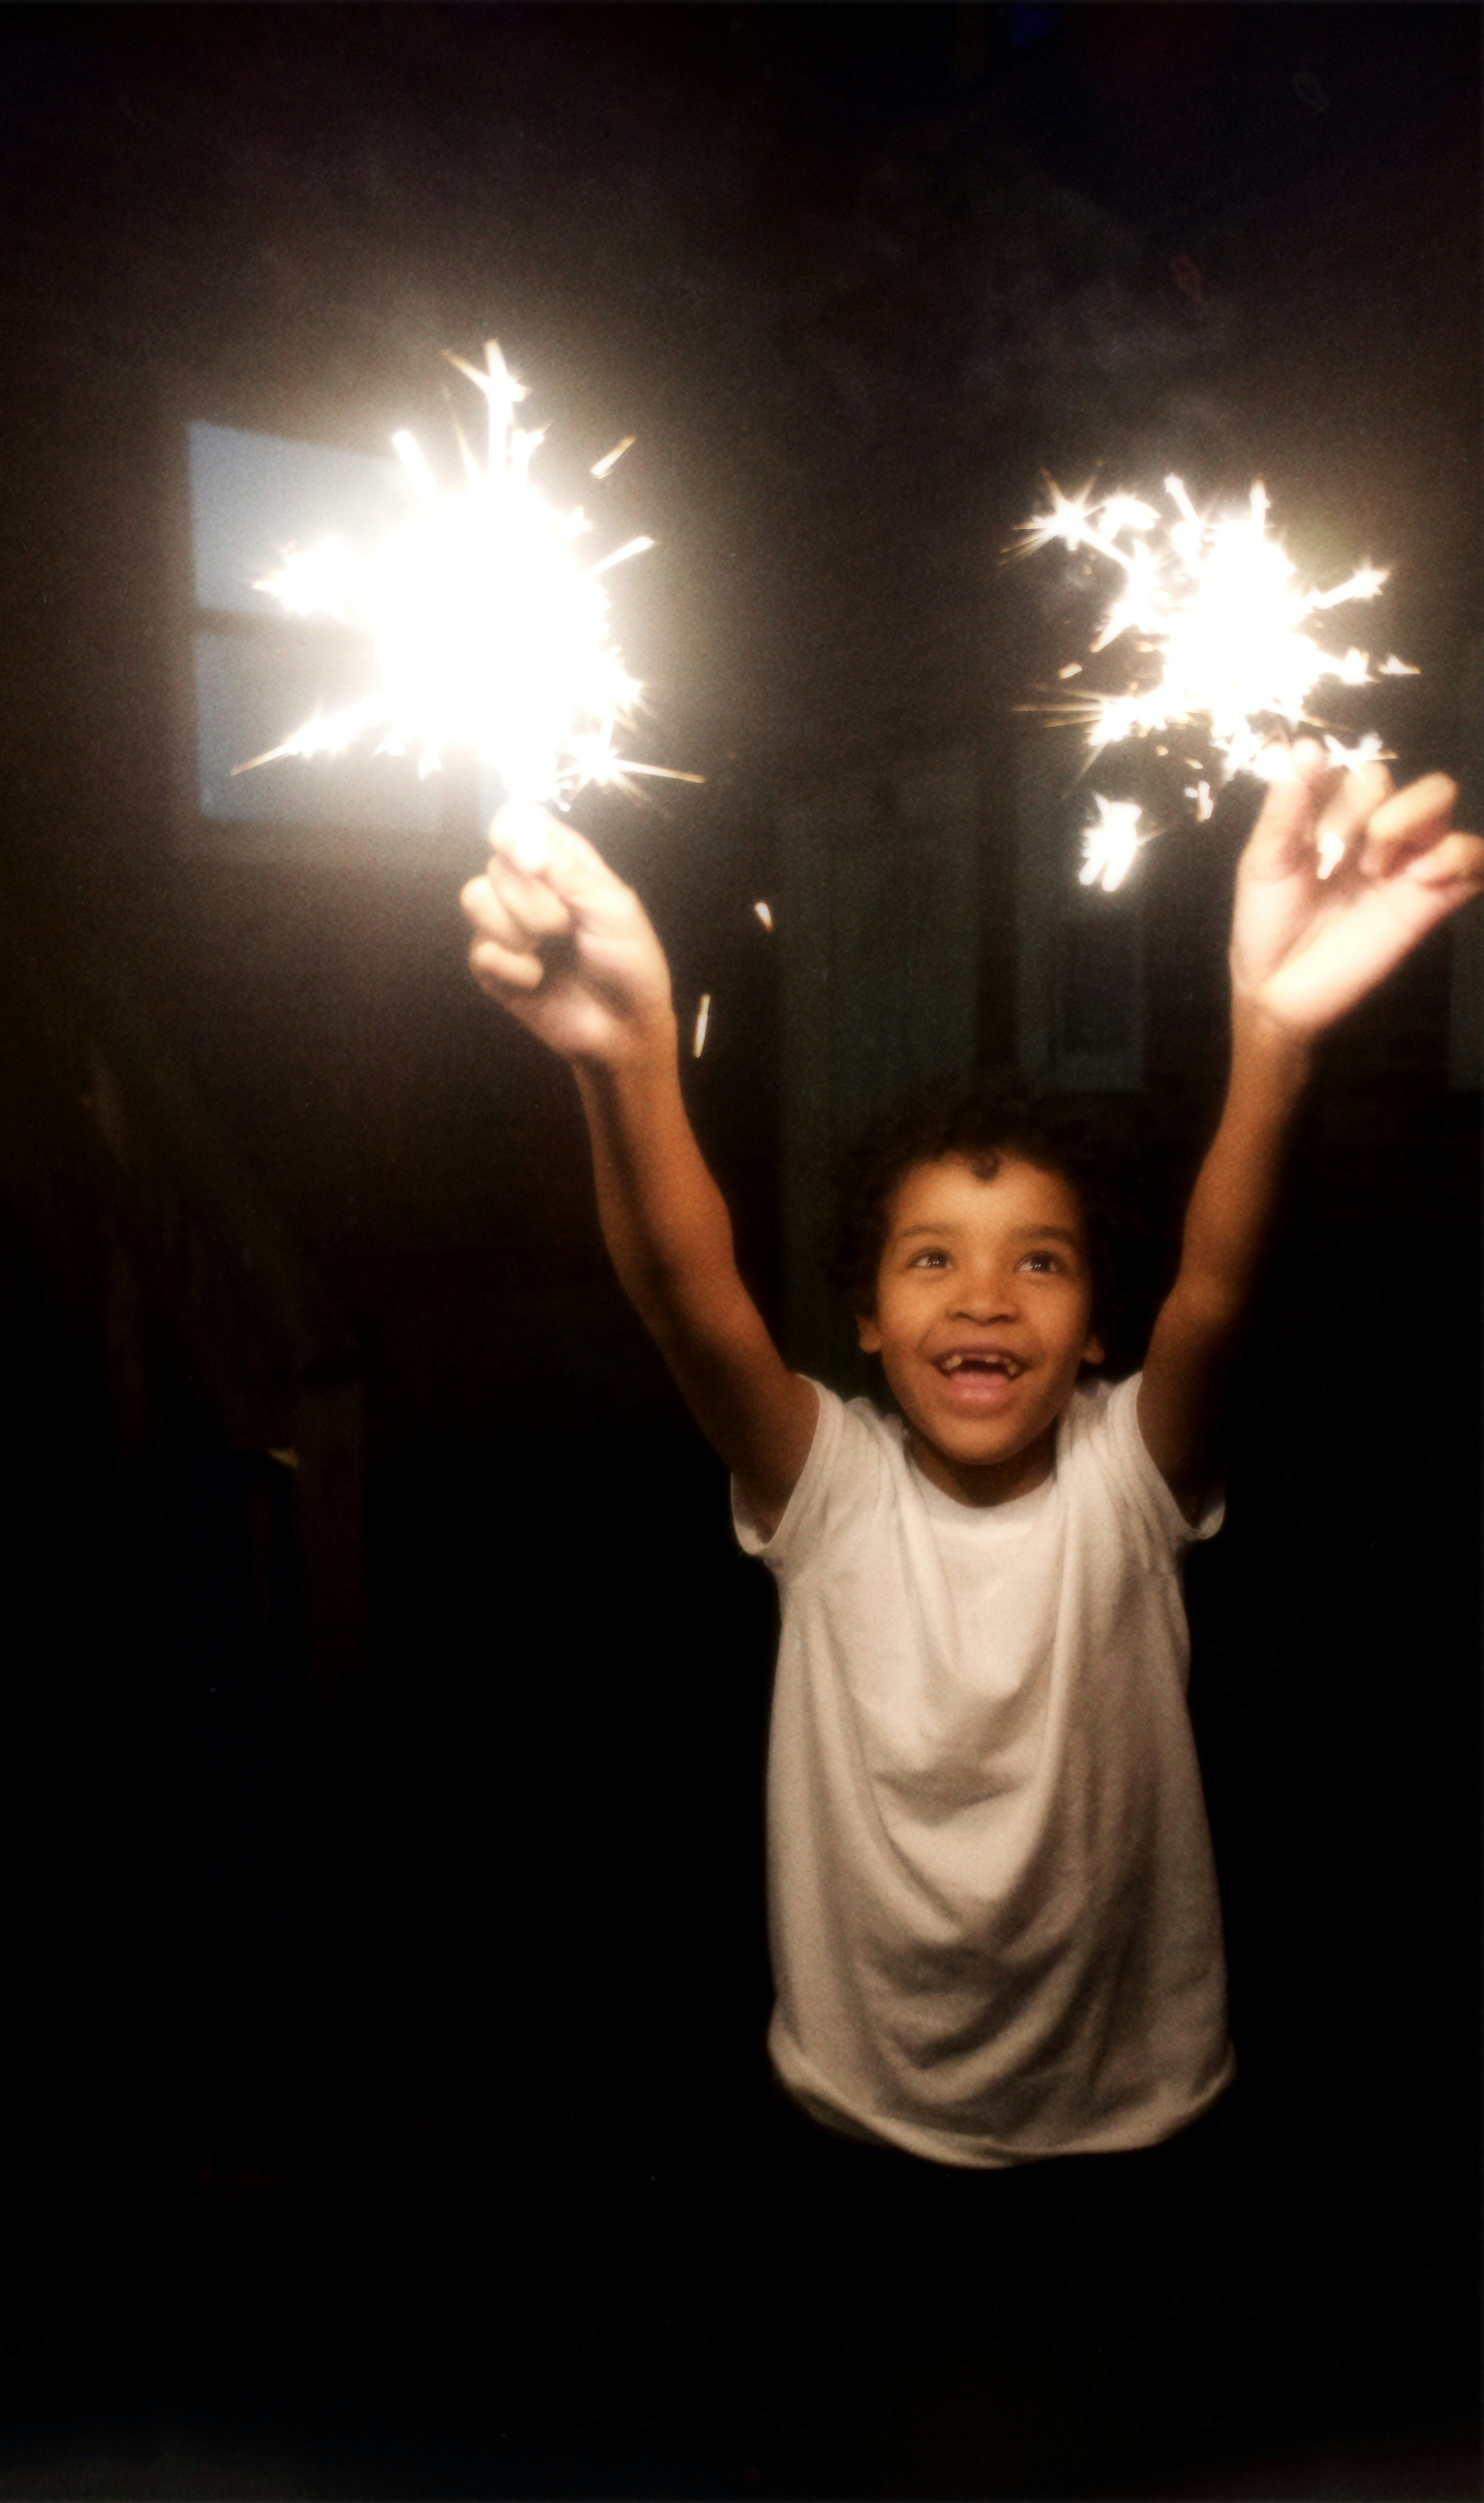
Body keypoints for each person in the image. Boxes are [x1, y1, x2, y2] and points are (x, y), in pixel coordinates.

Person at [459, 744, 1481, 2480]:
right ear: (863, 1318)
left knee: (1119, 2449)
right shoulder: (827, 1487)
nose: (984, 1295)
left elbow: (1226, 1282)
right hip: (868, 2124)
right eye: (931, 1256)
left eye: (1042, 1259)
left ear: (1095, 1329)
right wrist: (628, 1062)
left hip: (1136, 2124)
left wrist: (1277, 1037)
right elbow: (679, 1291)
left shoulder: (1127, 1475)